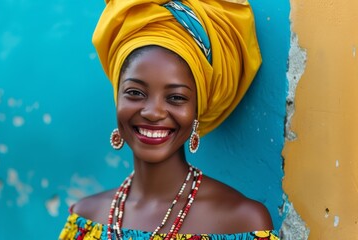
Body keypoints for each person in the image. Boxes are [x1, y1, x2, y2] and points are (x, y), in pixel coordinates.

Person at [60, 0, 280, 239]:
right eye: (135, 93)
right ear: (117, 98)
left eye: (176, 97)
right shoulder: (86, 218)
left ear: (197, 109)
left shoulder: (242, 222)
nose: (153, 112)